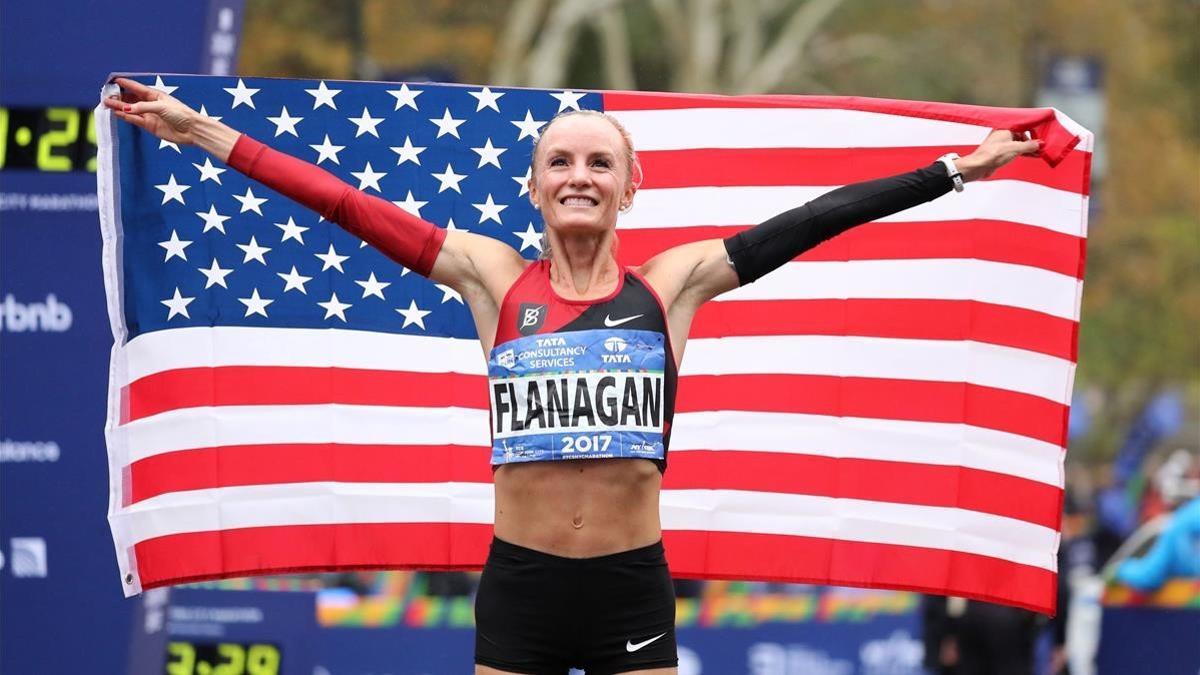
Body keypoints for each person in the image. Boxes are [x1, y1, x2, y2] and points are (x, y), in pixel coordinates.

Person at [105, 76, 1040, 675]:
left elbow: (816, 218)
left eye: (601, 161)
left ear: (631, 187)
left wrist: (956, 170)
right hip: (522, 588)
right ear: (534, 185)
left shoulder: (673, 285)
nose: (579, 174)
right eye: (561, 161)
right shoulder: (491, 278)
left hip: (632, 586)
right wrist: (201, 133)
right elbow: (347, 204)